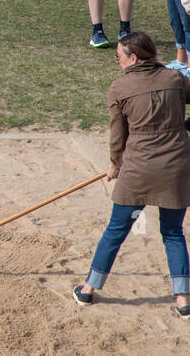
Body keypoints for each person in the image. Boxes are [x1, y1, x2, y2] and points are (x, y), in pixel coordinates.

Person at [73, 31, 190, 319]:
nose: (117, 61)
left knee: (116, 230)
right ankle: (183, 300)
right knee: (173, 233)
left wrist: (115, 163)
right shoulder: (175, 79)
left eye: (119, 56)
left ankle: (88, 289)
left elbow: (117, 135)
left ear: (133, 58)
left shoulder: (119, 88)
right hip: (176, 167)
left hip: (138, 168)